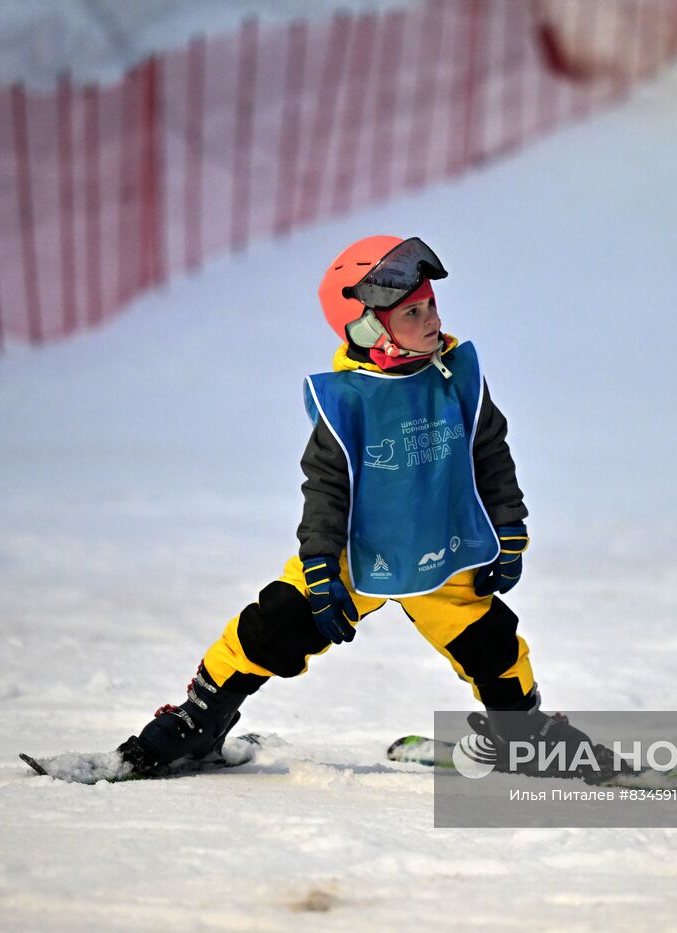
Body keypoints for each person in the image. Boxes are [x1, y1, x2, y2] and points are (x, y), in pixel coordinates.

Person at [115, 235, 597, 777]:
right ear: (369, 329)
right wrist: (320, 569)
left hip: (445, 551)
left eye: (431, 305)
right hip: (354, 559)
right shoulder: (346, 401)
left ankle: (523, 734)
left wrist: (509, 527)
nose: (432, 320)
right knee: (270, 628)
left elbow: (491, 453)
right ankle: (199, 723)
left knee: (495, 648)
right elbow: (324, 489)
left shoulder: (457, 376)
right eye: (412, 312)